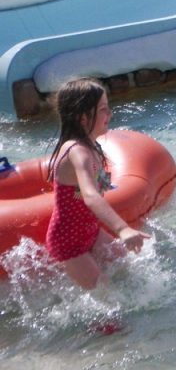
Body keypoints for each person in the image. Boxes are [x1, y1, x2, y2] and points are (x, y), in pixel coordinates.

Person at [45, 78, 150, 290]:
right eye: (103, 109)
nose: (109, 114)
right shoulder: (77, 152)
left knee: (131, 270)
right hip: (68, 244)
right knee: (105, 299)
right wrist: (123, 229)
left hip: (91, 233)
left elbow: (96, 188)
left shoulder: (92, 146)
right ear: (82, 117)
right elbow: (90, 196)